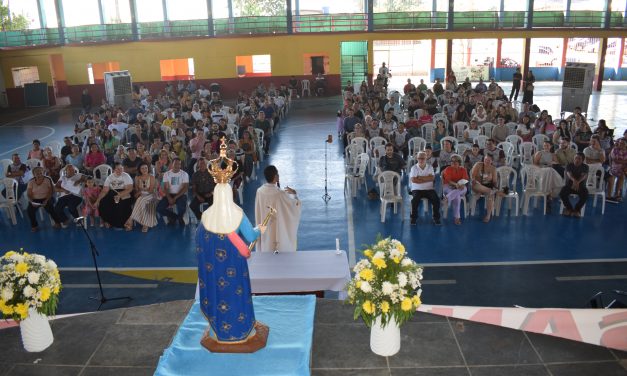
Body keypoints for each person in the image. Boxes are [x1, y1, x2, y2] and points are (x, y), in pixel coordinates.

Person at [196, 142, 268, 351]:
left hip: (213, 270)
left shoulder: (205, 217)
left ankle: (219, 330)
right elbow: (251, 235)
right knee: (236, 294)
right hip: (233, 268)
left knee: (219, 295)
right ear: (229, 194)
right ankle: (240, 329)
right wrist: (260, 229)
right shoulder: (237, 215)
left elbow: (200, 245)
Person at [254, 165, 302, 253]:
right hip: (276, 227)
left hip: (265, 227)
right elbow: (294, 206)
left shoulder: (259, 191)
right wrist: (294, 194)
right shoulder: (280, 194)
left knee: (267, 244)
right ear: (275, 177)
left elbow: (258, 211)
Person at [96, 163, 134, 228]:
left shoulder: (126, 176)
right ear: (113, 170)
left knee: (121, 203)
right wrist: (98, 200)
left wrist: (120, 195)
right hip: (113, 192)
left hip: (125, 192)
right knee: (103, 202)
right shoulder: (110, 177)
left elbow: (130, 189)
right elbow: (105, 190)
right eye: (118, 169)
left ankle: (123, 223)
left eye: (121, 169)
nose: (120, 170)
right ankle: (108, 221)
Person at [409, 151, 441, 226]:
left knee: (436, 199)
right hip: (417, 189)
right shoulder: (414, 168)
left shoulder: (430, 167)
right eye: (419, 158)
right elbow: (413, 180)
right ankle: (413, 218)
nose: (421, 160)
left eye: (423, 158)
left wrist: (420, 178)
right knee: (415, 200)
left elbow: (432, 178)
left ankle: (436, 218)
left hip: (429, 189)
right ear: (417, 158)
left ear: (426, 158)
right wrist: (427, 178)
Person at [26, 167, 62, 232]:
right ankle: (34, 226)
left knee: (50, 208)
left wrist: (46, 200)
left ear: (43, 173)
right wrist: (32, 201)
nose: (39, 175)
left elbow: (51, 191)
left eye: (41, 173)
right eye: (37, 173)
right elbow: (29, 194)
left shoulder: (47, 179)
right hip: (35, 199)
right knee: (29, 211)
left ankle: (57, 223)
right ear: (34, 175)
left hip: (47, 197)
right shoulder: (31, 181)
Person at [126, 162, 158, 232]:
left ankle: (130, 219)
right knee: (141, 199)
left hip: (151, 195)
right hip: (141, 196)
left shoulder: (151, 177)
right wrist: (140, 192)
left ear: (148, 168)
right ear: (139, 170)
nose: (144, 170)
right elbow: (137, 189)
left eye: (146, 168)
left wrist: (141, 191)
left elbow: (151, 190)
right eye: (142, 168)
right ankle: (145, 224)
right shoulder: (137, 177)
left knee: (141, 200)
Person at [157, 158, 189, 226]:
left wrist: (175, 198)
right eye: (175, 163)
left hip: (180, 194)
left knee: (182, 208)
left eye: (179, 164)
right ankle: (175, 217)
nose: (177, 165)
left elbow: (185, 188)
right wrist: (169, 198)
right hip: (169, 194)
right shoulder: (167, 174)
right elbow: (165, 187)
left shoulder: (184, 174)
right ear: (172, 164)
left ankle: (179, 217)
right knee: (159, 208)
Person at [470, 154, 499, 223]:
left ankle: (488, 215)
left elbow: (494, 182)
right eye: (485, 159)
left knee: (490, 195)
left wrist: (494, 185)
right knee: (491, 192)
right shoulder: (478, 165)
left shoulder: (493, 169)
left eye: (489, 160)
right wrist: (475, 180)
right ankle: (489, 192)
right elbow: (472, 176)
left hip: (487, 186)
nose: (487, 161)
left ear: (492, 161)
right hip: (477, 185)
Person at [442, 155, 469, 225]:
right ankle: (457, 218)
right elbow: (448, 180)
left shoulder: (463, 169)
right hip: (448, 186)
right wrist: (456, 184)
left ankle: (447, 198)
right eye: (452, 161)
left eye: (455, 161)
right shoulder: (448, 169)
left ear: (459, 162)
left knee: (460, 190)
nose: (453, 163)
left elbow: (465, 179)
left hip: (460, 188)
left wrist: (461, 185)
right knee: (457, 197)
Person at [559, 153, 588, 218]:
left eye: (579, 159)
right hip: (569, 186)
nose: (577, 160)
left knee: (585, 195)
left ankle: (577, 210)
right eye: (575, 158)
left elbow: (584, 175)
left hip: (581, 186)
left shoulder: (585, 166)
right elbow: (569, 174)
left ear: (582, 160)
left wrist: (577, 182)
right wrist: (574, 181)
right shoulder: (569, 165)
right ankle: (569, 208)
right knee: (562, 193)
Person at [606, 138, 627, 202]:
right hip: (613, 167)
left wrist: (623, 162)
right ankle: (609, 195)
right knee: (612, 175)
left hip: (623, 169)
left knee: (622, 176)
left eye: (623, 143)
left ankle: (616, 194)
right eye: (620, 143)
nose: (621, 144)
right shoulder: (614, 150)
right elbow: (615, 160)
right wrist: (625, 161)